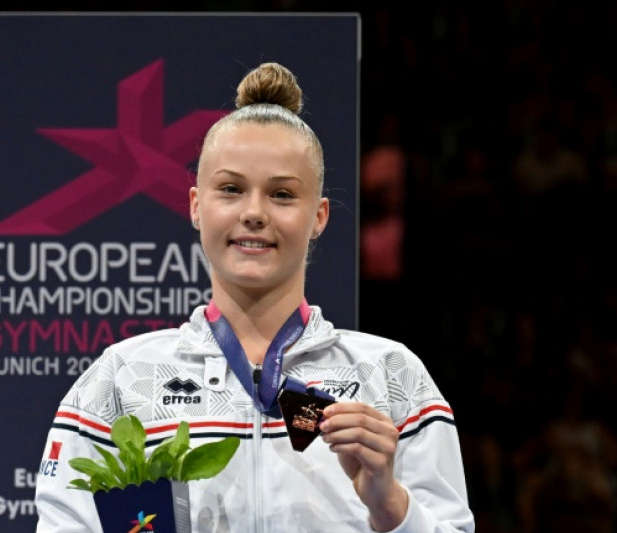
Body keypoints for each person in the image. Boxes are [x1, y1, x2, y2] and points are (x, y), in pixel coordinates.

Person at [35, 62, 474, 532]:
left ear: (319, 216)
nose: (254, 212)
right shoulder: (122, 378)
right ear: (196, 206)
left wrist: (393, 509)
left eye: (282, 194)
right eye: (231, 189)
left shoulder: (391, 376)